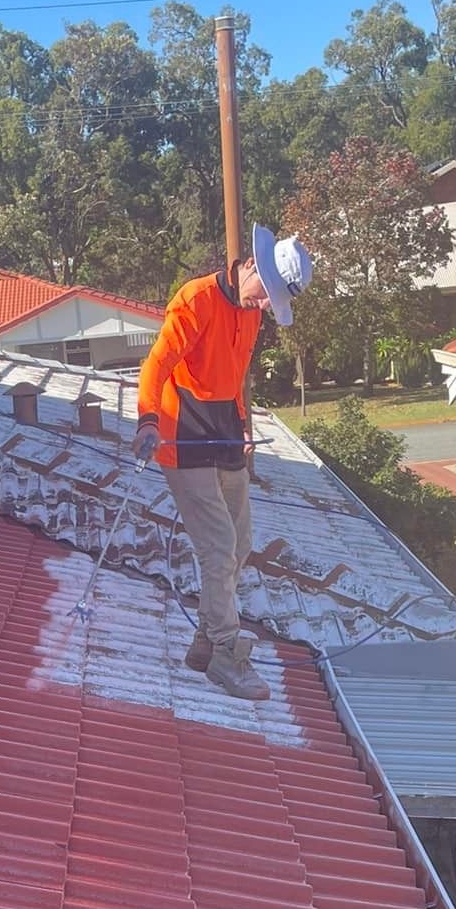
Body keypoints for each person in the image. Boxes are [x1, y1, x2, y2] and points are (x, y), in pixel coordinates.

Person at [134, 225, 313, 700]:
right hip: (183, 434)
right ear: (252, 266)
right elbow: (156, 364)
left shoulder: (251, 315)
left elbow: (233, 379)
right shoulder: (196, 301)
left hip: (226, 432)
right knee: (216, 549)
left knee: (240, 543)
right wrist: (147, 419)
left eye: (272, 302)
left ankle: (205, 643)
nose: (263, 306)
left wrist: (241, 424)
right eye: (265, 294)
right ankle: (226, 656)